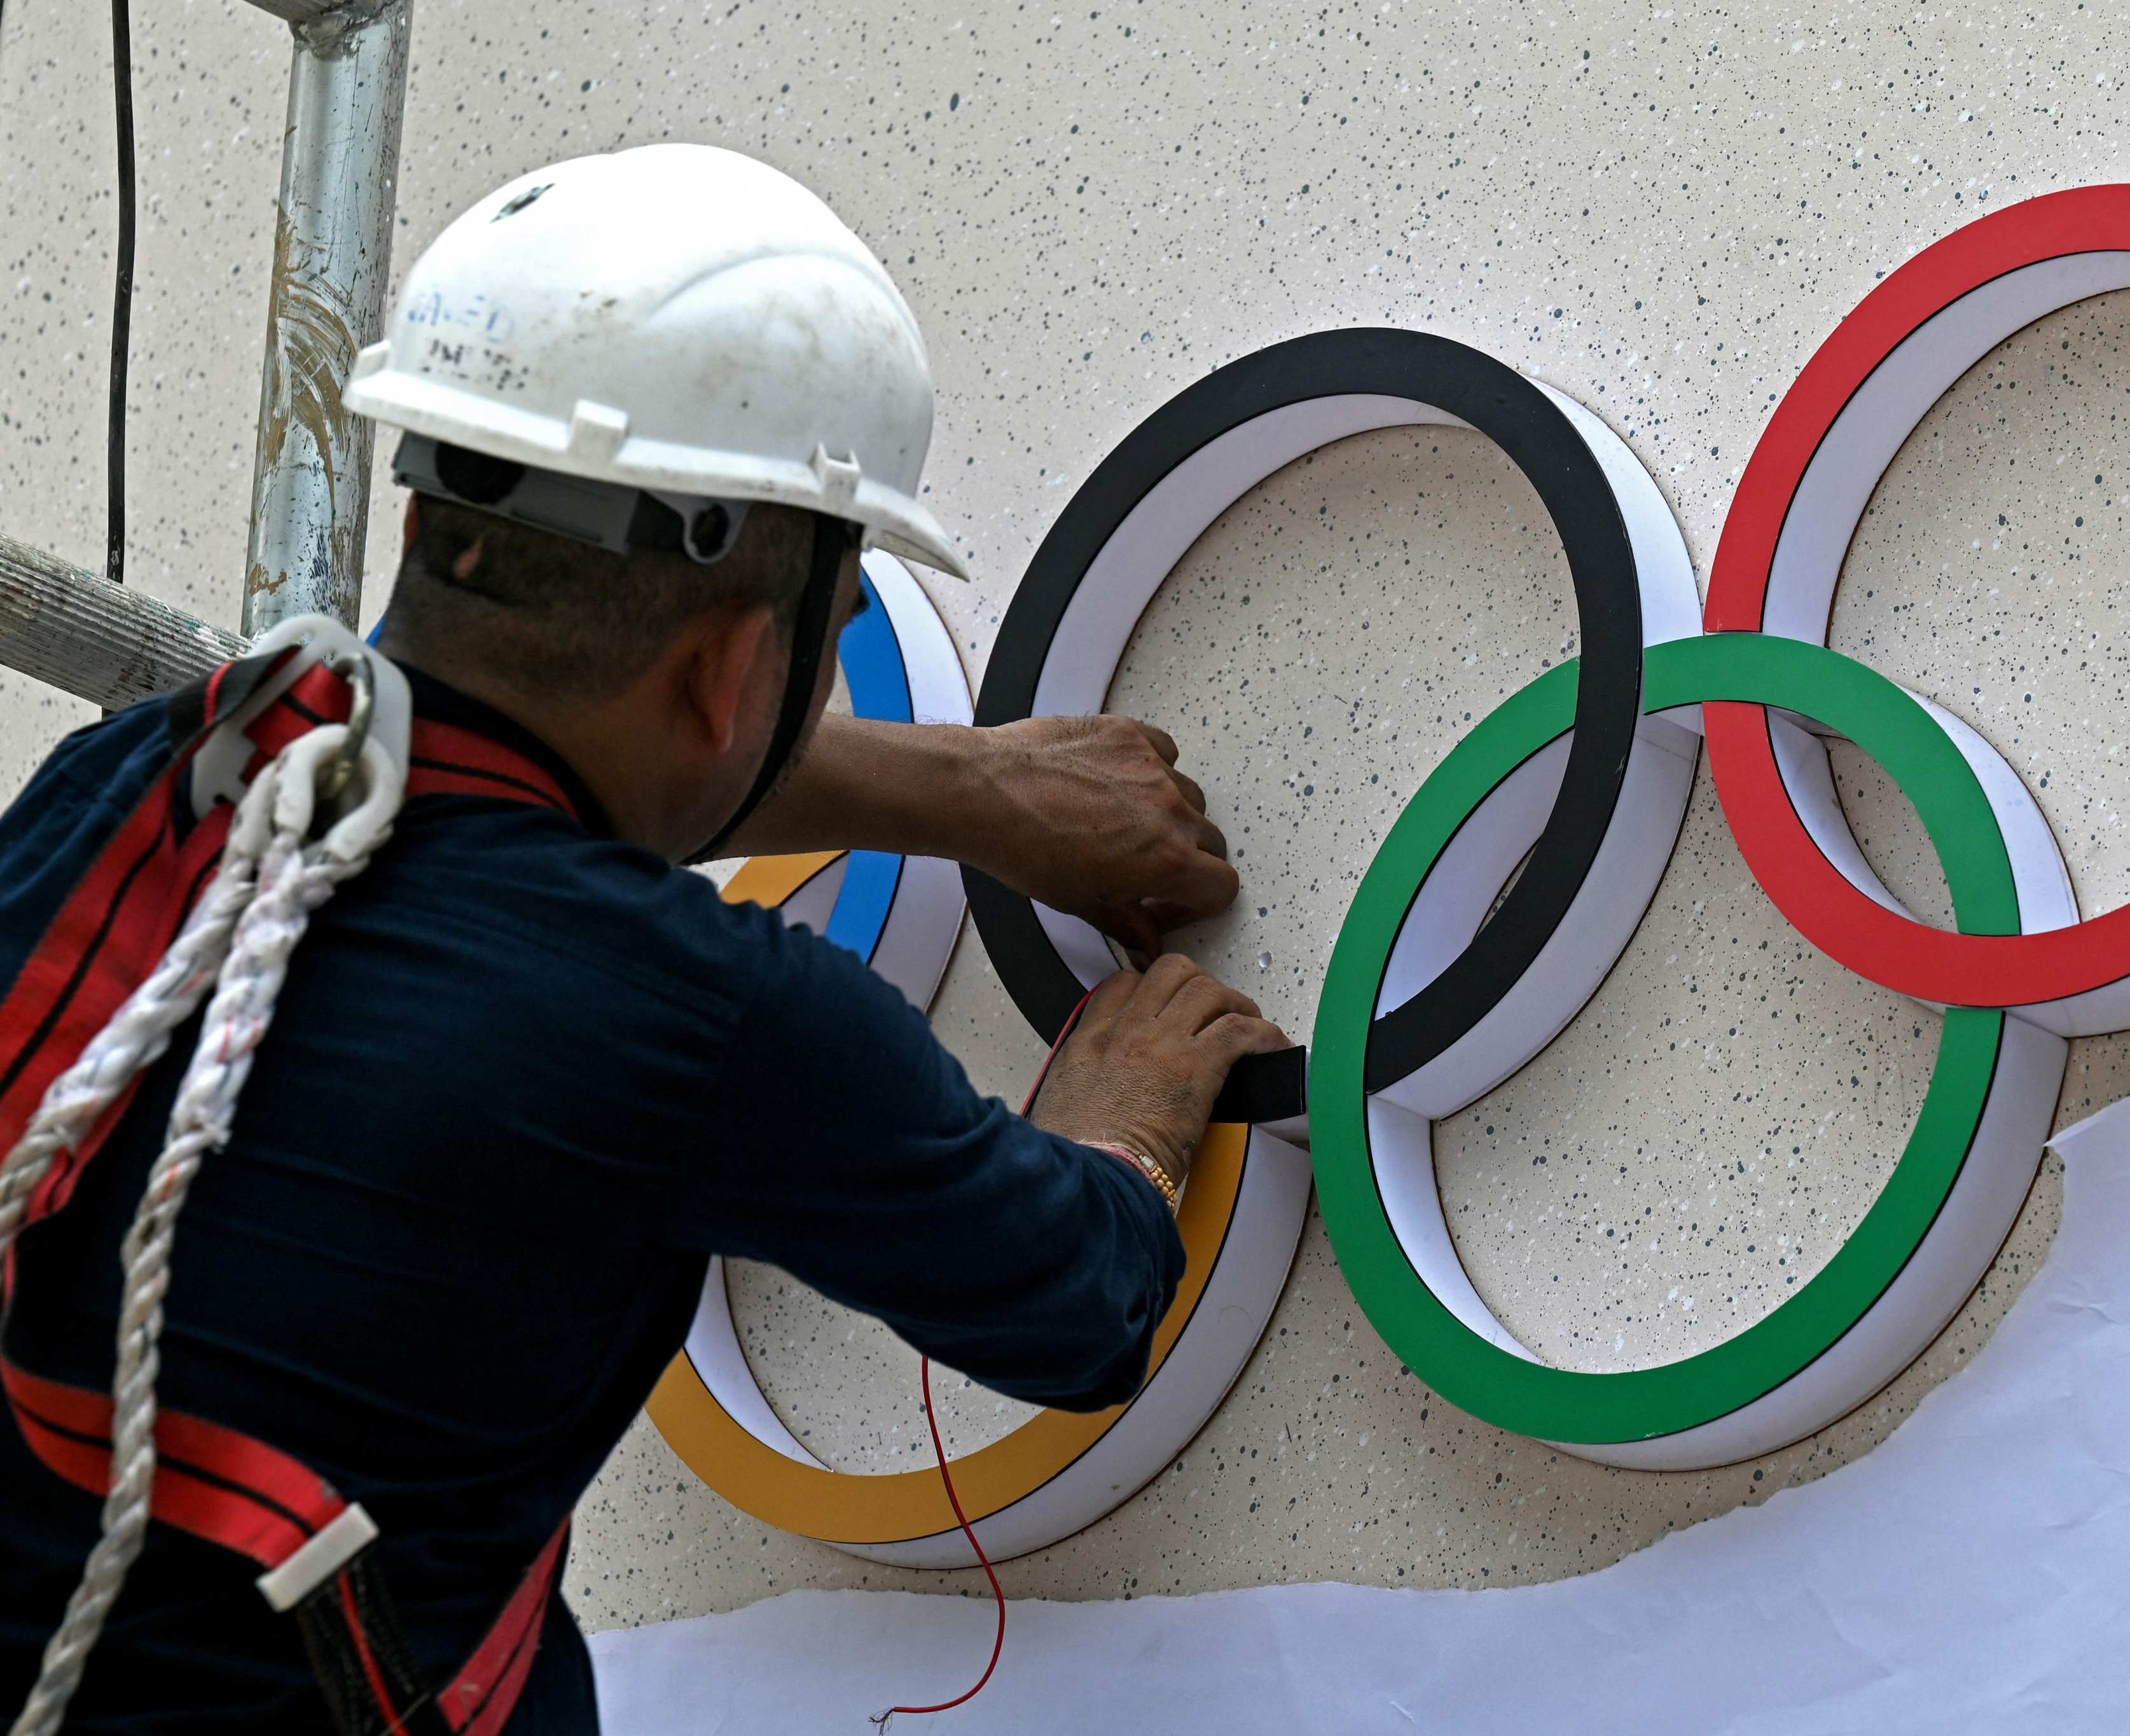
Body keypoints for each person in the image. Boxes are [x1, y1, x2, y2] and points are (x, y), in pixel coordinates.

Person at [0, 142, 1284, 1732]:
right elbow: (1076, 1308)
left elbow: (482, 775)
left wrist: (963, 790)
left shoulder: (149, 780)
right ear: (739, 667)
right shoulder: (700, 1017)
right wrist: (1125, 1109)